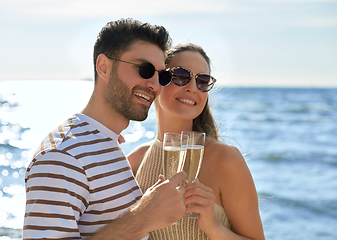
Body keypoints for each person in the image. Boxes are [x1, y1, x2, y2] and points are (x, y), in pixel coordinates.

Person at [23, 18, 187, 240]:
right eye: (145, 69)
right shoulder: (61, 157)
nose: (155, 85)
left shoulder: (106, 141)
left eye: (162, 76)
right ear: (104, 67)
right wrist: (143, 217)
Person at [127, 43, 265, 240]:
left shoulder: (226, 160)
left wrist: (213, 227)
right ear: (159, 80)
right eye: (181, 76)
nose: (192, 88)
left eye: (202, 81)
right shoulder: (135, 161)